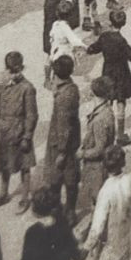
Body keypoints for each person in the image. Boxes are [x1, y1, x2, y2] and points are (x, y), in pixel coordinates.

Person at [85, 7, 131, 146]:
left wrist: (88, 49)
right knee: (121, 103)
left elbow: (95, 47)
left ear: (110, 22)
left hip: (107, 72)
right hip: (122, 74)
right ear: (123, 23)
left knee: (107, 101)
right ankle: (120, 135)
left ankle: (105, 128)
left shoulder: (104, 36)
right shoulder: (121, 41)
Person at [83, 145, 131, 260]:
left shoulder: (105, 191)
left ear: (104, 167)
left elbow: (98, 225)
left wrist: (87, 247)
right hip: (124, 234)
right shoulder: (128, 179)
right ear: (123, 163)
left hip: (110, 240)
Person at [0, 51, 39, 210]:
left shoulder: (28, 88)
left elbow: (32, 115)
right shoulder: (2, 86)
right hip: (4, 132)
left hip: (20, 133)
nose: (13, 73)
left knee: (24, 166)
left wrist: (27, 136)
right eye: (10, 70)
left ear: (22, 67)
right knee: (4, 164)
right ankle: (3, 194)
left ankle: (25, 197)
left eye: (16, 70)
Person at [17, 186, 83, 260]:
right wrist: (77, 255)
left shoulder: (33, 232)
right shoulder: (62, 222)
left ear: (35, 212)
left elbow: (27, 258)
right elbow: (71, 244)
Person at [42, 55, 82, 217]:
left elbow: (64, 126)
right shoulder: (70, 87)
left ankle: (66, 211)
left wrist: (62, 152)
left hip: (61, 144)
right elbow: (50, 86)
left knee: (61, 177)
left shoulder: (64, 97)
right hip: (68, 141)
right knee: (69, 176)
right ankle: (67, 210)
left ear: (57, 75)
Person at [76, 77, 116, 229]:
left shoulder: (100, 118)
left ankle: (98, 231)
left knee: (98, 199)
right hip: (100, 164)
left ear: (93, 94)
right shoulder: (105, 110)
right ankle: (96, 224)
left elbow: (99, 149)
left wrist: (82, 154)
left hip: (97, 166)